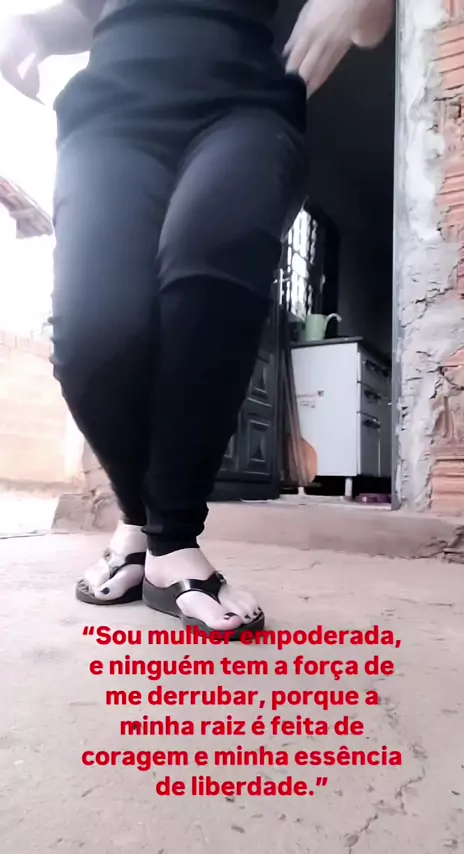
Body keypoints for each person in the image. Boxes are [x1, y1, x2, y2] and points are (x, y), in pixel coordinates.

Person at [0, 0, 393, 639]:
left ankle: (172, 541)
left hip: (246, 103)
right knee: (94, 333)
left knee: (209, 280)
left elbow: (370, 23)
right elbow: (86, 10)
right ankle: (141, 524)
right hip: (111, 112)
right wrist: (31, 26)